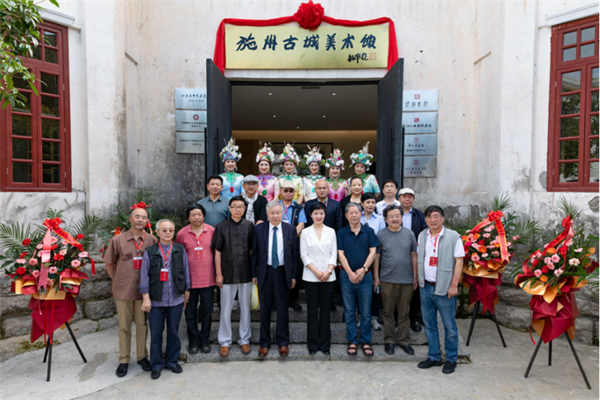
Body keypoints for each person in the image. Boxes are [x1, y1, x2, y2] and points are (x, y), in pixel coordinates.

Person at [103, 205, 157, 377]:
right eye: (137, 216)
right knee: (124, 327)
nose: (140, 220)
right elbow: (109, 264)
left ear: (146, 221)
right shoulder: (117, 240)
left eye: (143, 217)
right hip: (123, 290)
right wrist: (118, 280)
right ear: (130, 219)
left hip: (144, 292)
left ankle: (142, 356)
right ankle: (124, 360)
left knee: (142, 325)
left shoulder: (151, 240)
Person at [416, 205, 465, 375]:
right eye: (429, 217)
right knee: (429, 324)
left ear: (443, 218)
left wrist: (454, 285)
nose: (432, 220)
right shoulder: (422, 235)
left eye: (436, 216)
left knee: (449, 326)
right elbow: (419, 258)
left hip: (445, 288)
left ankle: (451, 358)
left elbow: (459, 262)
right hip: (426, 287)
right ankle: (434, 356)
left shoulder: (453, 237)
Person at [139, 219, 190, 380]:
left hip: (175, 298)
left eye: (170, 230)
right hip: (156, 299)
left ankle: (172, 361)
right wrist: (146, 298)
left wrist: (186, 290)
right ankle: (156, 364)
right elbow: (144, 276)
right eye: (164, 230)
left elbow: (186, 270)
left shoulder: (179, 249)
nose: (168, 232)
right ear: (157, 232)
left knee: (173, 331)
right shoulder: (150, 251)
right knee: (156, 333)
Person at [251, 200, 299, 357]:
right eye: (272, 213)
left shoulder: (290, 229)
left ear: (282, 213)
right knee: (264, 310)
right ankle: (264, 343)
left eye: (278, 212)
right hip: (265, 272)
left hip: (283, 272)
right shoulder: (259, 229)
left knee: (282, 309)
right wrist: (254, 274)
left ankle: (283, 342)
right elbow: (255, 253)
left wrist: (293, 276)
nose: (275, 215)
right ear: (267, 214)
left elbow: (294, 255)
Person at [211, 196, 255, 357]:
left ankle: (244, 340)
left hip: (245, 272)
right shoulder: (221, 227)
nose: (237, 209)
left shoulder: (250, 226)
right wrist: (218, 274)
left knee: (245, 308)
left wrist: (254, 273)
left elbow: (252, 251)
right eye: (234, 206)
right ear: (229, 209)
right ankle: (225, 341)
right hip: (227, 272)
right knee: (225, 309)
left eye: (241, 206)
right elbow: (217, 251)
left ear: (244, 209)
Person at [374, 205, 418, 356]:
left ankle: (404, 341)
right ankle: (389, 340)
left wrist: (415, 276)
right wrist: (376, 278)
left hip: (406, 279)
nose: (395, 219)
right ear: (385, 219)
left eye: (397, 216)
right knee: (388, 312)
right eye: (391, 216)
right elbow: (377, 258)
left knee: (404, 312)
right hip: (387, 280)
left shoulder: (409, 234)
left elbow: (414, 255)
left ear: (402, 217)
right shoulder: (380, 235)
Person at [337, 202, 379, 357]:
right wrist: (349, 272)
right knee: (349, 311)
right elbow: (340, 254)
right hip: (347, 277)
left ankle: (366, 341)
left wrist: (363, 270)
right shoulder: (341, 233)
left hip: (365, 278)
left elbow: (373, 251)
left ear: (361, 213)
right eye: (351, 213)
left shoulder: (369, 231)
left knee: (365, 312)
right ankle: (352, 341)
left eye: (357, 212)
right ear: (347, 215)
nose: (354, 215)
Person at [175, 204, 215, 355]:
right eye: (193, 215)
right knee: (190, 311)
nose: (197, 217)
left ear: (203, 216)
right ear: (189, 217)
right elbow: (178, 258)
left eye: (199, 214)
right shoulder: (182, 234)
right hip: (189, 281)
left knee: (207, 310)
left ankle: (204, 338)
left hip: (208, 279)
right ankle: (193, 339)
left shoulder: (212, 230)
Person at [300, 202, 337, 355]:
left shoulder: (331, 231)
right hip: (311, 276)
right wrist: (316, 271)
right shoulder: (306, 232)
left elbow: (333, 253)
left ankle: (325, 344)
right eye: (315, 213)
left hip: (328, 276)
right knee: (312, 311)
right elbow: (304, 254)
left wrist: (328, 271)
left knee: (325, 311)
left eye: (321, 213)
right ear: (311, 215)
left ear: (325, 214)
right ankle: (313, 344)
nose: (318, 216)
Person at [398, 187, 428, 333]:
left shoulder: (419, 215)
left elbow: (425, 233)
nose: (407, 199)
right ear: (399, 198)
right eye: (404, 196)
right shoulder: (393, 213)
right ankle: (398, 318)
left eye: (410, 197)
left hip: (415, 255)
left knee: (415, 287)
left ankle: (415, 318)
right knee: (397, 288)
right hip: (397, 255)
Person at [360, 192, 386, 332]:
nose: (370, 205)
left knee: (376, 287)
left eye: (373, 202)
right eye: (367, 202)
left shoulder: (380, 219)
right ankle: (362, 317)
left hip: (376, 255)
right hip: (359, 255)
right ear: (362, 203)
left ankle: (374, 317)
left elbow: (380, 238)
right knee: (360, 286)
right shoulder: (357, 216)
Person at [279, 180, 306, 311]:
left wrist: (290, 235)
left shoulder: (298, 207)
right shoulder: (274, 206)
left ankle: (293, 298)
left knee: (294, 267)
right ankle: (278, 298)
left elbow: (301, 224)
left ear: (295, 193)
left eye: (291, 191)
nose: (288, 193)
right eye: (286, 190)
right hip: (276, 240)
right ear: (280, 191)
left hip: (293, 240)